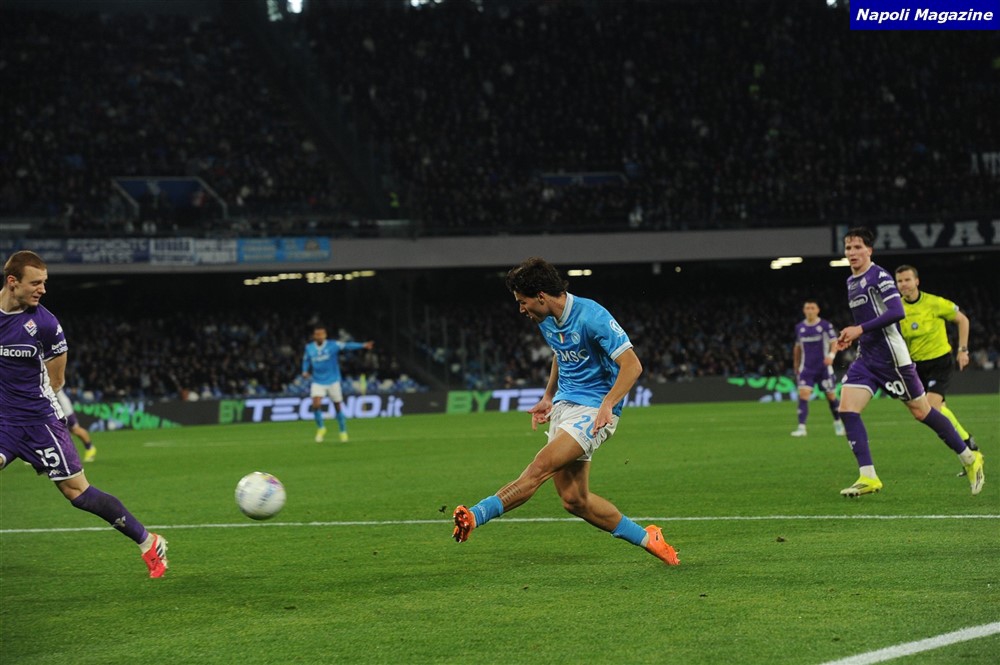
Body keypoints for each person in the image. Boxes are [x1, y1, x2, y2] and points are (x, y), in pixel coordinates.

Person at [451, 257, 680, 566]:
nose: (521, 309)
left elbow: (632, 365)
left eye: (522, 301)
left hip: (594, 409)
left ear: (541, 296)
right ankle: (648, 538)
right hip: (564, 406)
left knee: (540, 467)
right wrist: (548, 396)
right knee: (574, 500)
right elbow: (561, 353)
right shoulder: (545, 319)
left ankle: (475, 515)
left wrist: (608, 403)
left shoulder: (593, 316)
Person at [0, 251, 168, 577]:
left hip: (40, 423)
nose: (43, 289)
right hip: (5, 422)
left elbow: (57, 382)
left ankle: (149, 542)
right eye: (36, 283)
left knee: (77, 494)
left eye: (44, 282)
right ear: (12, 282)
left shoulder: (46, 325)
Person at [834, 229, 984, 497]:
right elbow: (868, 321)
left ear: (869, 250)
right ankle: (868, 477)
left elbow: (897, 311)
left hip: (892, 359)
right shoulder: (851, 282)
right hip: (866, 357)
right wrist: (853, 335)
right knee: (847, 409)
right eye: (848, 248)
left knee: (923, 412)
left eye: (857, 247)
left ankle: (969, 458)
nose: (852, 252)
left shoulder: (879, 276)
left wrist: (860, 329)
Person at [894, 264, 979, 470]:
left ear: (917, 281)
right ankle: (968, 444)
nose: (903, 284)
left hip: (939, 362)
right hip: (915, 367)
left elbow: (963, 320)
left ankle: (967, 447)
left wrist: (963, 350)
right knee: (937, 410)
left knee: (931, 408)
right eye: (899, 281)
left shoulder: (934, 303)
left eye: (907, 280)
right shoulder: (896, 309)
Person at [301, 324, 374, 442]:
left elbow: (347, 346)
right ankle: (321, 428)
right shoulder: (309, 348)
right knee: (316, 404)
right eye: (317, 334)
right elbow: (306, 360)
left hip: (333, 380)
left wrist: (362, 345)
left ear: (325, 335)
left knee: (337, 406)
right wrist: (304, 371)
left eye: (322, 334)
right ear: (314, 336)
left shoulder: (332, 345)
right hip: (317, 381)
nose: (320, 336)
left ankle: (343, 430)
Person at [790, 300, 845, 438]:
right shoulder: (799, 327)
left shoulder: (825, 325)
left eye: (812, 308)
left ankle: (838, 423)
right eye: (807, 308)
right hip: (806, 368)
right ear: (804, 311)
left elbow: (834, 342)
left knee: (831, 397)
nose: (810, 310)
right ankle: (801, 428)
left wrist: (831, 356)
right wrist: (796, 364)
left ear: (817, 310)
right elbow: (797, 347)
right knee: (803, 395)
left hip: (823, 368)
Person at [56, 387, 97, 462]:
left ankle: (89, 448)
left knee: (73, 429)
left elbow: (56, 386)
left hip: (62, 406)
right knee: (71, 429)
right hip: (58, 405)